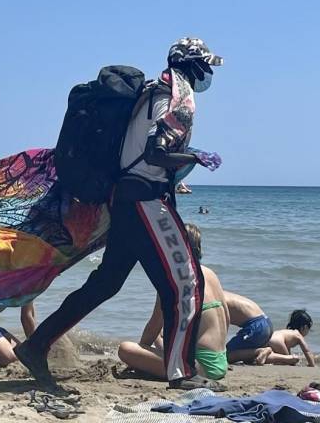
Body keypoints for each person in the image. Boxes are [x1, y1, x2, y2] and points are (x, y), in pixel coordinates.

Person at [16, 38, 224, 390]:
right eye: (207, 66)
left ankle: (36, 346)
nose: (209, 74)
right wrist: (195, 158)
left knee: (106, 284)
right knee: (187, 285)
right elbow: (156, 153)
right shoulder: (179, 97)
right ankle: (182, 373)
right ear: (194, 66)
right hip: (145, 201)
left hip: (123, 201)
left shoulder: (151, 91)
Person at [118, 223, 230, 382]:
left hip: (197, 366)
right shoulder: (209, 273)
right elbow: (226, 316)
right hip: (220, 361)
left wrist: (141, 354)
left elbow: (153, 327)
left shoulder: (173, 279)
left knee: (126, 349)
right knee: (161, 336)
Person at [223, 292, 274, 364]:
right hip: (265, 322)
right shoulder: (222, 293)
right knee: (249, 358)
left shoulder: (216, 299)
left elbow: (220, 327)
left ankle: (260, 351)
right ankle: (288, 358)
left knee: (225, 356)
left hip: (256, 326)